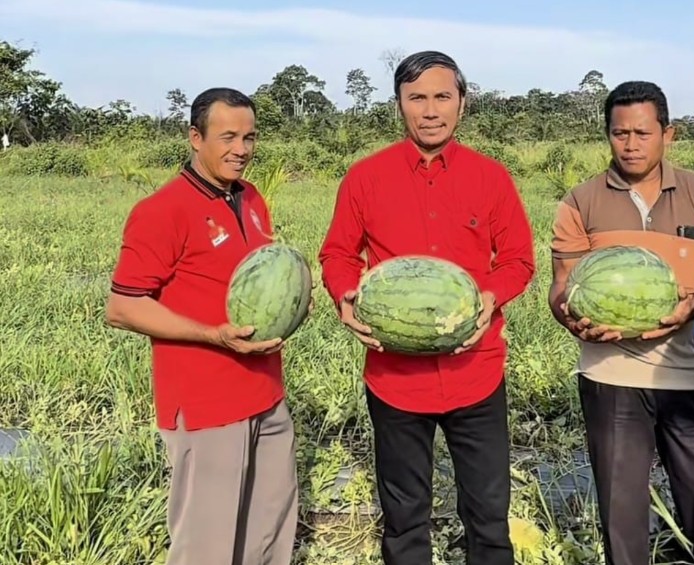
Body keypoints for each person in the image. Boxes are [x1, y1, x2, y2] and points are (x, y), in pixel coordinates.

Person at [317, 50, 535, 565]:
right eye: (417, 98)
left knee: (487, 515)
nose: (430, 110)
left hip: (476, 373)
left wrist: (489, 295)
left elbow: (519, 261)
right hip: (395, 379)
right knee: (404, 519)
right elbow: (337, 254)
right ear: (399, 105)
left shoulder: (491, 178)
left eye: (442, 96)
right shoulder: (366, 178)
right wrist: (345, 296)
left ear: (462, 103)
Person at [105, 87, 300, 565]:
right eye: (227, 137)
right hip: (207, 403)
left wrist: (292, 300)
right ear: (196, 137)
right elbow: (123, 307)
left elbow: (260, 279)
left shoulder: (251, 198)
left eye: (250, 137)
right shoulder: (162, 210)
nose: (241, 149)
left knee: (270, 533)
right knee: (207, 548)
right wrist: (214, 335)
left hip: (266, 394)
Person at [548, 80, 694, 565]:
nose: (630, 144)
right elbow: (561, 288)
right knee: (621, 518)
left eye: (642, 133)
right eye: (619, 133)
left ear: (668, 134)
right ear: (607, 135)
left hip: (687, 376)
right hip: (610, 378)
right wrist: (573, 319)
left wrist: (693, 304)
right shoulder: (580, 201)